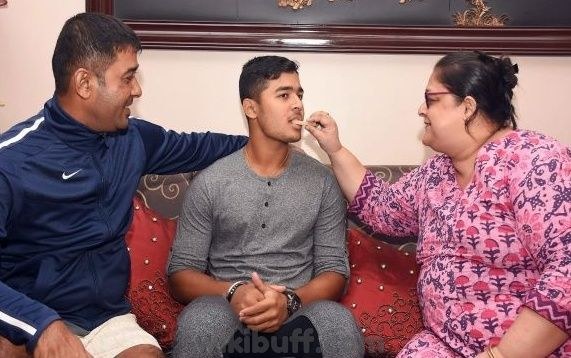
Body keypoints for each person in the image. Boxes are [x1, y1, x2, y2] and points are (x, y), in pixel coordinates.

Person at [0, 12, 247, 358]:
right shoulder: (11, 161)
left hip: (105, 320)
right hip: (25, 321)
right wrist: (41, 325)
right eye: (128, 78)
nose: (137, 89)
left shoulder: (132, 140)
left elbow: (202, 146)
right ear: (85, 84)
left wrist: (267, 141)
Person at [305, 51, 570, 357]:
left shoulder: (536, 161)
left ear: (467, 107)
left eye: (431, 99)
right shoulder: (435, 173)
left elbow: (566, 272)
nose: (421, 110)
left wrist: (501, 355)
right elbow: (381, 207)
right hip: (441, 344)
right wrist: (334, 149)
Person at [167, 55, 364, 358]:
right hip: (228, 312)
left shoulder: (323, 182)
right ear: (251, 108)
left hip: (298, 312)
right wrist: (233, 291)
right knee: (200, 321)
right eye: (284, 95)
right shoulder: (211, 182)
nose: (297, 104)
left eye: (299, 94)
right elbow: (180, 275)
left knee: (338, 324)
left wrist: (289, 301)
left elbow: (334, 271)